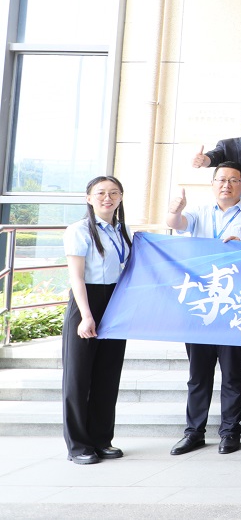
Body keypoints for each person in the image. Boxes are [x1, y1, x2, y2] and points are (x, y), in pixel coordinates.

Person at [167, 163, 241, 457]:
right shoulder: (199, 212)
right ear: (212, 184)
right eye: (221, 179)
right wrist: (174, 210)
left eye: (233, 180)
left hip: (233, 304)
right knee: (198, 374)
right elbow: (177, 223)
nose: (227, 185)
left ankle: (230, 431)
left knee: (233, 373)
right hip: (199, 305)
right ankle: (194, 432)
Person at [62, 176, 132, 465]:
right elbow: (76, 277)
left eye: (114, 193)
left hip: (115, 302)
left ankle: (102, 440)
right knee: (79, 377)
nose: (108, 198)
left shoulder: (122, 229)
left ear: (120, 198)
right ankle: (79, 446)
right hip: (87, 301)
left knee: (107, 375)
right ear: (88, 198)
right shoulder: (79, 230)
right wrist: (86, 315)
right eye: (101, 193)